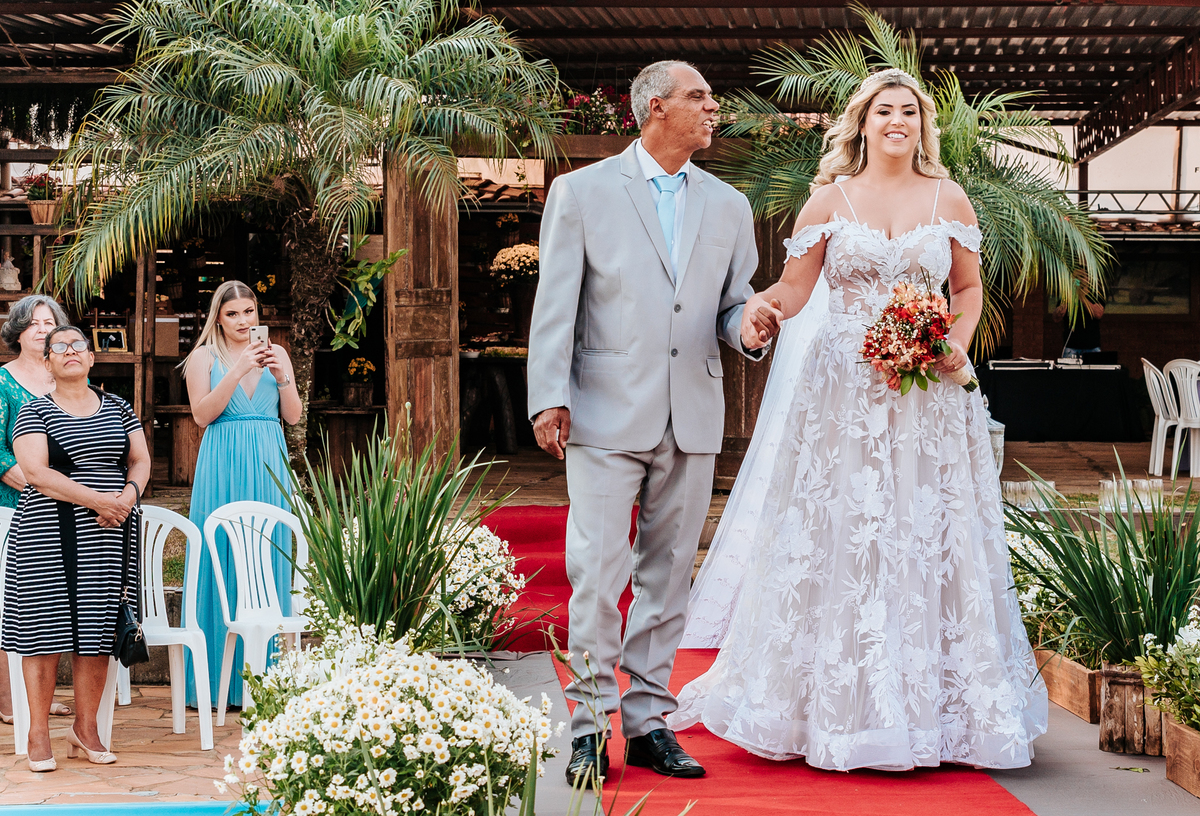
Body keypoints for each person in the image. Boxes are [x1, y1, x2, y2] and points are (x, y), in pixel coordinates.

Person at [667, 68, 1047, 771]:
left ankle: (935, 709)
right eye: (883, 111)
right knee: (846, 528)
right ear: (863, 124)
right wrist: (763, 309)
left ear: (922, 126)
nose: (897, 121)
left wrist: (955, 343)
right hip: (843, 392)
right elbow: (796, 289)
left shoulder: (949, 196)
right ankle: (836, 708)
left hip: (928, 392)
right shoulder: (827, 200)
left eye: (909, 111)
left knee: (926, 529)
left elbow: (967, 288)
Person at [527, 60, 778, 788]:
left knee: (668, 580)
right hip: (603, 412)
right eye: (700, 97)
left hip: (691, 412)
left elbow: (730, 306)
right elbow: (556, 303)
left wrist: (748, 327)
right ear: (656, 107)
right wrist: (548, 396)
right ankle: (587, 726)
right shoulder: (581, 192)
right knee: (596, 577)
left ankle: (647, 725)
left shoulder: (729, 205)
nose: (713, 108)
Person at [2, 325, 149, 771]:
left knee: (96, 632)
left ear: (91, 358)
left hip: (107, 533)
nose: (70, 351)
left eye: (78, 345)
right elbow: (36, 473)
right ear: (47, 362)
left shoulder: (119, 408)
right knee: (42, 634)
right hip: (45, 535)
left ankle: (85, 730)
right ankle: (38, 732)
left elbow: (139, 460)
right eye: (58, 347)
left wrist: (126, 498)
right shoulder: (34, 411)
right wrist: (100, 501)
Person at [182, 281, 301, 710]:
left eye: (248, 312)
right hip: (223, 463)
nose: (242, 321)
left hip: (268, 463)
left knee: (267, 560)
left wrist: (280, 377)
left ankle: (263, 682)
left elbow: (293, 416)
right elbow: (201, 415)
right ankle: (216, 682)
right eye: (232, 314)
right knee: (221, 561)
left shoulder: (278, 353)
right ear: (218, 318)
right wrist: (237, 370)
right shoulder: (203, 357)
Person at [0, 295, 71, 727]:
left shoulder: (68, 377)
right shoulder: (3, 382)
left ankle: (40, 697)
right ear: (18, 332)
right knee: (11, 605)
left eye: (49, 323)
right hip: (13, 509)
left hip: (64, 511)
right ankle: (9, 701)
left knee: (50, 604)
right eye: (33, 323)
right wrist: (37, 483)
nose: (42, 330)